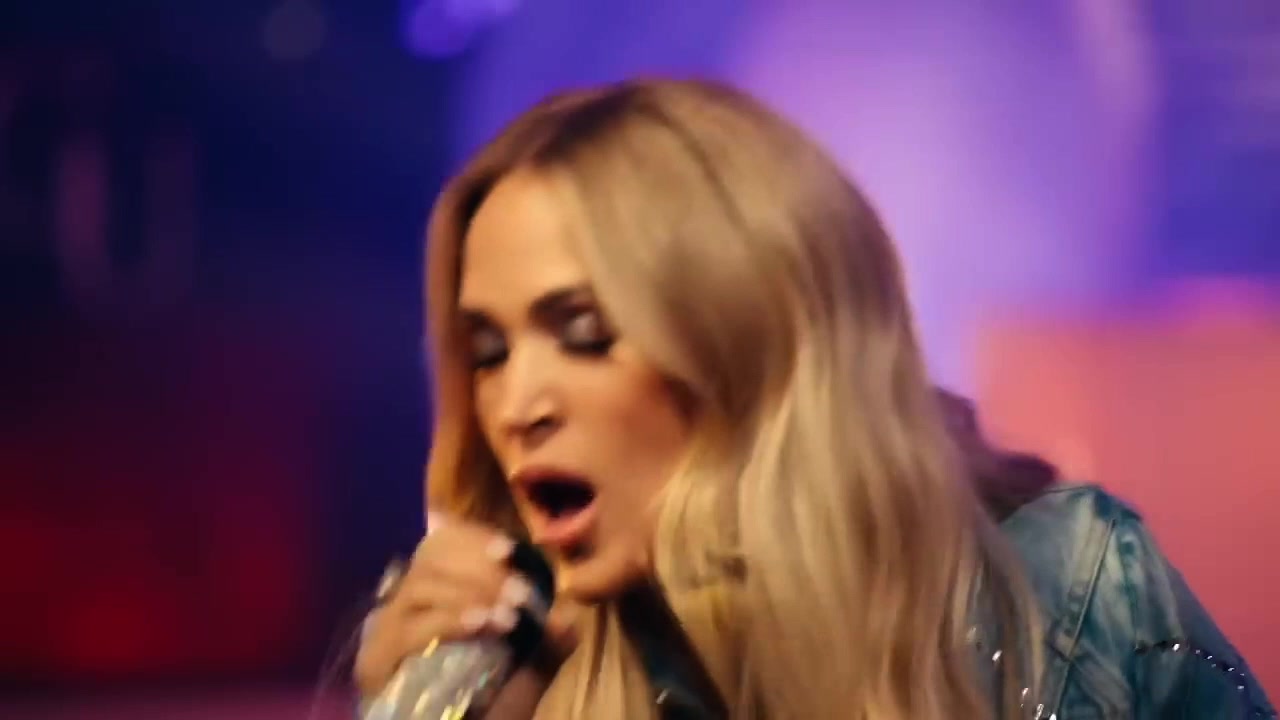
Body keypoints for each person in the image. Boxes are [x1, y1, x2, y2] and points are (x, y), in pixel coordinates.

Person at [352, 78, 1274, 719]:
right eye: (487, 352)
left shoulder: (1071, 589)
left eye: (584, 332)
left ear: (745, 335)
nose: (515, 404)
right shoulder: (522, 659)